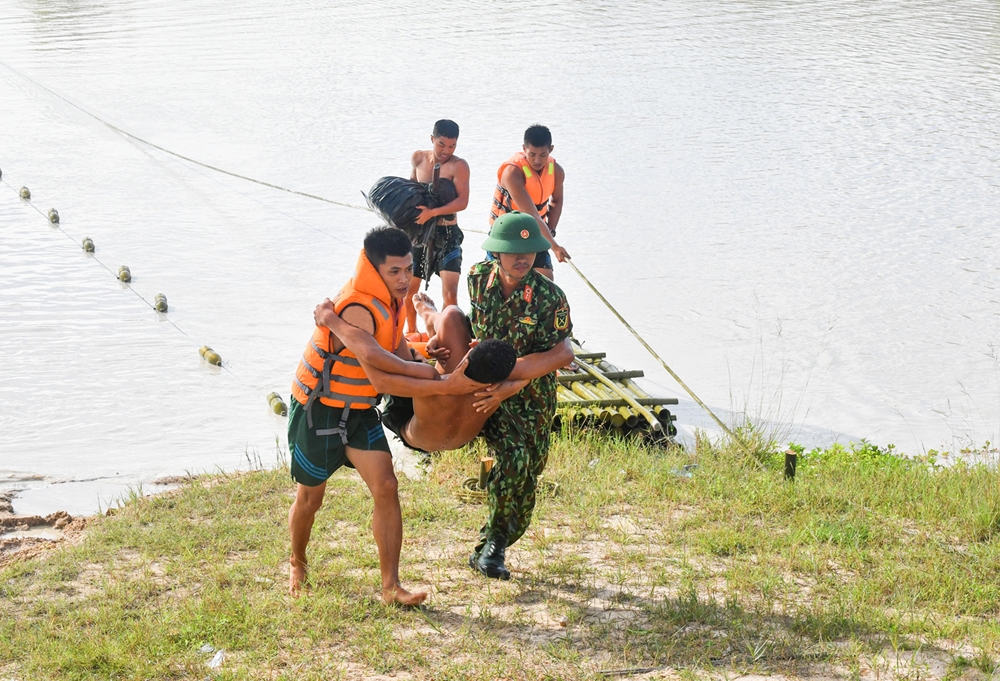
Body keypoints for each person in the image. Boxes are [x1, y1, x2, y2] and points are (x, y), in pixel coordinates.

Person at [286, 226, 483, 604]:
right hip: (321, 410)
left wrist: (426, 356)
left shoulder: (392, 301)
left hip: (359, 410)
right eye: (394, 272)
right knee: (311, 498)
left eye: (408, 269)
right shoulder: (358, 306)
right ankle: (297, 561)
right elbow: (375, 362)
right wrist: (440, 383)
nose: (404, 278)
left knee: (387, 486)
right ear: (374, 269)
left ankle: (391, 586)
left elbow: (395, 348)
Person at [466, 211, 574, 580]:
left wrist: (513, 382)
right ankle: (494, 546)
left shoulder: (549, 298)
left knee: (530, 474)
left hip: (533, 400)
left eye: (529, 250)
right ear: (496, 253)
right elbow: (473, 326)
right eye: (513, 251)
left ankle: (491, 542)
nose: (522, 257)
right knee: (512, 460)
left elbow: (561, 355)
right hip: (487, 396)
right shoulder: (477, 280)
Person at [313, 293, 527, 453]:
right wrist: (509, 389)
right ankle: (431, 318)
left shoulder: (427, 376)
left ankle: (430, 320)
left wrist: (331, 320)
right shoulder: (502, 384)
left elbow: (378, 368)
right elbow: (528, 374)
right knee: (451, 317)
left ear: (470, 349)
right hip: (462, 437)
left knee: (416, 340)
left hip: (411, 429)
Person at [405, 119, 471, 334]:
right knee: (409, 290)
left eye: (452, 146)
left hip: (448, 233)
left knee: (450, 293)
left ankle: (447, 334)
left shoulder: (459, 166)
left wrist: (432, 213)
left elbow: (462, 202)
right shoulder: (418, 158)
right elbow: (411, 190)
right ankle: (411, 332)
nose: (446, 151)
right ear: (432, 139)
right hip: (420, 233)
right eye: (441, 144)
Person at [489, 124, 569, 280]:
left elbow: (557, 201)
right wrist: (554, 246)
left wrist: (550, 231)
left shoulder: (556, 172)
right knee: (506, 281)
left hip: (535, 232)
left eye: (543, 155)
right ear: (524, 149)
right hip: (507, 235)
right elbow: (531, 214)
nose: (537, 160)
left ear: (551, 150)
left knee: (546, 281)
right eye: (532, 154)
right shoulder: (512, 173)